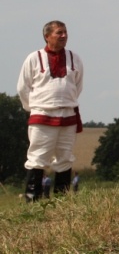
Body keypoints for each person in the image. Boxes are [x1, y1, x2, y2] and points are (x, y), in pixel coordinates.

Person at [17, 20, 84, 201]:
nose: (64, 36)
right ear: (47, 36)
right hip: (42, 115)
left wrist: (65, 101)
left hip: (68, 115)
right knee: (38, 157)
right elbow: (23, 88)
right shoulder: (34, 58)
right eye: (59, 33)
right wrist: (35, 108)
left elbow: (77, 85)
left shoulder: (74, 58)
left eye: (65, 32)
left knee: (65, 157)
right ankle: (33, 199)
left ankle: (61, 200)